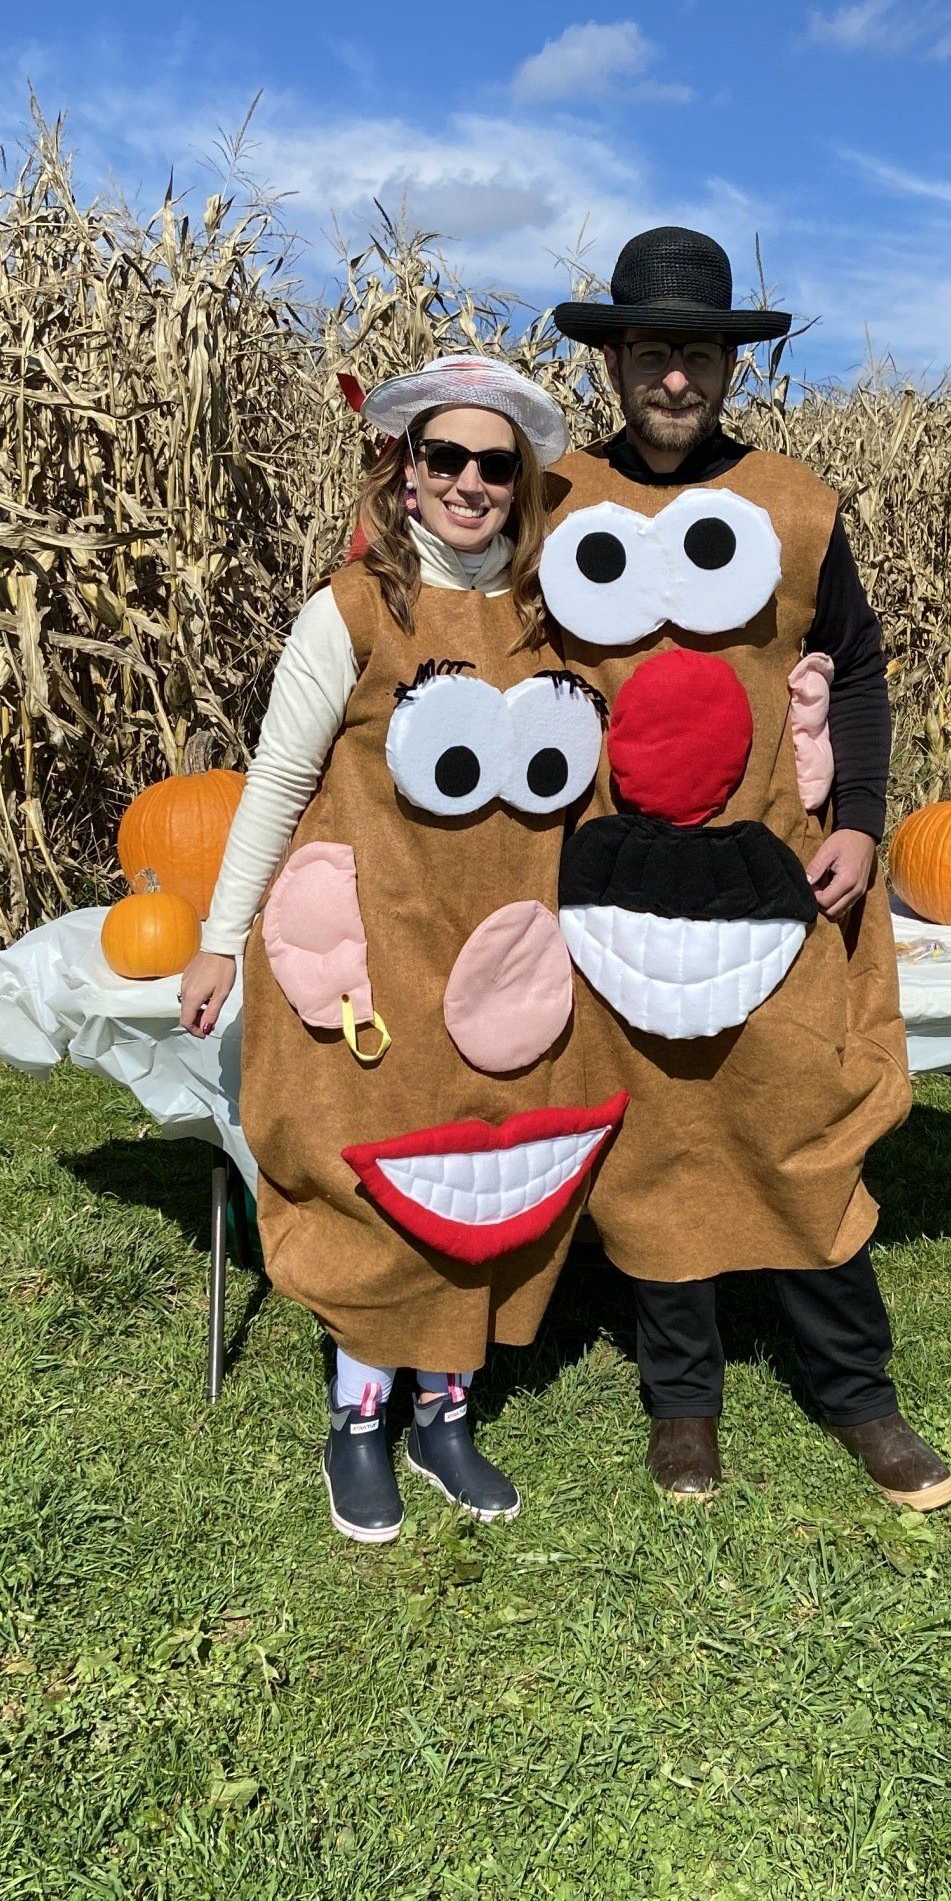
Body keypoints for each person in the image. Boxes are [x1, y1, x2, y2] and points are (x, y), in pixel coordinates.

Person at [543, 226, 951, 1511]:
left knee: (798, 1113)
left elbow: (864, 666)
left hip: (778, 867)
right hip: (619, 880)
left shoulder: (792, 502)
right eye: (653, 350)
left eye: (701, 355)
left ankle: (858, 1392)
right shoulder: (556, 499)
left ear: (733, 366)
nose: (676, 378)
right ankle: (684, 1401)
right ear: (614, 358)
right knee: (659, 1130)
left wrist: (866, 820)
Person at [180, 357, 624, 1545]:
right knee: (379, 1168)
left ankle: (445, 1412)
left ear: (521, 482)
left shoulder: (556, 614)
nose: (471, 484)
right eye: (446, 459)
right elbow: (277, 778)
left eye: (496, 464)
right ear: (406, 471)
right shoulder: (353, 608)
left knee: (486, 1165)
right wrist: (222, 938)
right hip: (380, 950)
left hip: (505, 955)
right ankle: (359, 1422)